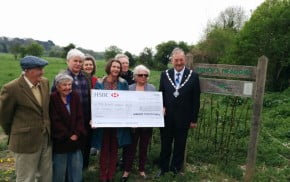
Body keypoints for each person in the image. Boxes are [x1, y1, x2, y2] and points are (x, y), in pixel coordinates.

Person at [0, 56, 52, 181]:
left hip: (45, 138)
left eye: (43, 68)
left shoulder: (44, 82)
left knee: (46, 176)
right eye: (39, 69)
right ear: (27, 70)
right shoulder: (11, 88)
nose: (42, 72)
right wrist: (14, 132)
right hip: (25, 141)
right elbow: (4, 115)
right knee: (26, 178)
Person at [158, 48, 200, 176]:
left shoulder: (193, 76)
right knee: (165, 144)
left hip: (184, 118)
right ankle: (163, 168)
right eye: (176, 60)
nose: (179, 63)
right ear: (172, 61)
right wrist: (162, 106)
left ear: (185, 60)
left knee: (180, 145)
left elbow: (196, 99)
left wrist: (194, 119)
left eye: (181, 60)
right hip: (167, 117)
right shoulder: (165, 74)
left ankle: (175, 169)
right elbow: (161, 94)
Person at [91, 59, 131, 182]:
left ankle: (111, 175)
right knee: (103, 149)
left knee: (114, 149)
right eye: (114, 66)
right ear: (109, 67)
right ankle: (103, 175)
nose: (116, 69)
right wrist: (94, 119)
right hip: (103, 122)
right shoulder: (99, 82)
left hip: (117, 122)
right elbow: (95, 102)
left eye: (118, 67)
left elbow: (127, 101)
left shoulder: (123, 83)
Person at [52, 48, 92, 169]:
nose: (78, 64)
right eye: (75, 61)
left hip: (85, 117)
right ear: (68, 61)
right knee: (68, 147)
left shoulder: (86, 76)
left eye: (80, 61)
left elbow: (90, 97)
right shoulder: (61, 77)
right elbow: (54, 100)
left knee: (84, 145)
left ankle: (81, 169)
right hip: (68, 121)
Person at [121, 65, 156, 182]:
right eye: (140, 75)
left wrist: (160, 110)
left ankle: (142, 169)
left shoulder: (152, 88)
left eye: (145, 75)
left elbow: (155, 105)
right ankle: (127, 170)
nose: (143, 77)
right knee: (131, 148)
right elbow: (124, 105)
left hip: (146, 125)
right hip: (133, 125)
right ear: (135, 76)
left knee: (144, 147)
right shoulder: (129, 88)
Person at [50, 73, 86, 182]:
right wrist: (69, 135)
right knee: (59, 170)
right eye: (64, 85)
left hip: (76, 139)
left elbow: (80, 116)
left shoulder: (74, 96)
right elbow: (55, 121)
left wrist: (76, 133)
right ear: (57, 86)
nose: (68, 87)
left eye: (69, 84)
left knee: (76, 168)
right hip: (61, 140)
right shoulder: (53, 98)